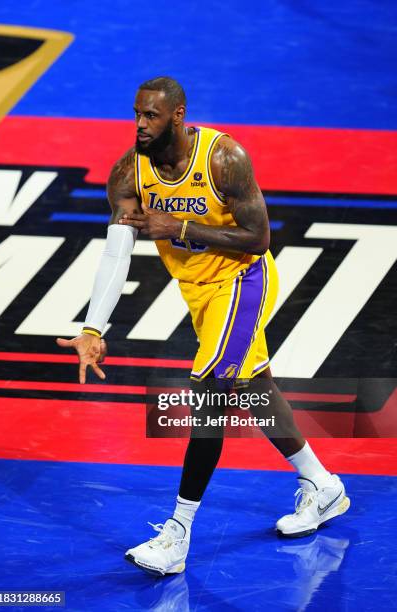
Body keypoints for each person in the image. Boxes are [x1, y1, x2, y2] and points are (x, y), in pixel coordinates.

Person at [56, 76, 350, 576]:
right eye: (136, 114)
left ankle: (178, 534)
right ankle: (323, 486)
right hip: (199, 294)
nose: (140, 125)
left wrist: (179, 228)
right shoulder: (130, 172)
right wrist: (94, 328)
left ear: (177, 115)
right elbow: (116, 251)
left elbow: (257, 238)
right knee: (254, 387)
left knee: (210, 392)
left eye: (150, 116)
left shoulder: (223, 158)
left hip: (243, 280)